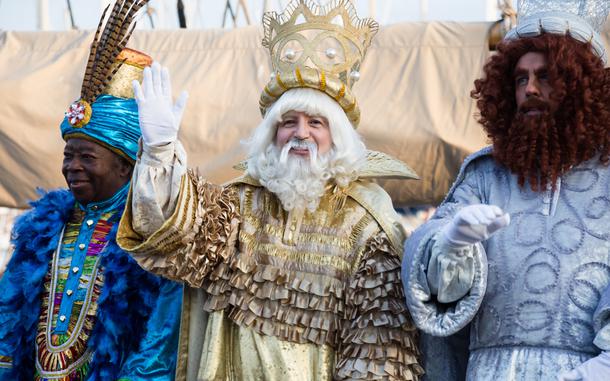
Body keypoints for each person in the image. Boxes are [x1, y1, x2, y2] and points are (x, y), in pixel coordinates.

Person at [116, 0, 424, 380]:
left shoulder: (367, 224)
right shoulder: (237, 206)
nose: (301, 133)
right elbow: (171, 238)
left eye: (316, 122)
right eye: (288, 121)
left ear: (337, 138)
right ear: (271, 135)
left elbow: (379, 351)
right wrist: (161, 149)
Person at [402, 0, 610, 380]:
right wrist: (449, 244)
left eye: (545, 76)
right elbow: (438, 292)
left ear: (582, 86)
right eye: (519, 79)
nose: (529, 88)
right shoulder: (485, 176)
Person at [0, 1, 182, 379]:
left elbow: (161, 340)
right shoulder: (42, 229)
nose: (71, 166)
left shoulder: (151, 232)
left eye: (86, 156)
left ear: (124, 164)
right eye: (68, 155)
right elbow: (8, 315)